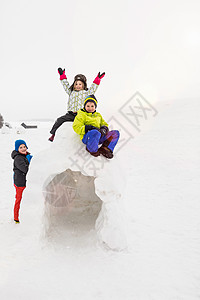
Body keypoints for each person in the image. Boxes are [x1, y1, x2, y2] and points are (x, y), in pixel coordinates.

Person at [48, 68, 105, 142]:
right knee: (59, 120)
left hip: (80, 114)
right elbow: (65, 85)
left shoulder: (86, 93)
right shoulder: (71, 92)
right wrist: (62, 75)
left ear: (83, 85)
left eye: (80, 84)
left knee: (87, 124)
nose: (78, 86)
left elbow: (93, 88)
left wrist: (98, 79)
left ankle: (94, 136)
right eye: (76, 84)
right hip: (70, 114)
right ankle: (53, 134)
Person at [11, 140, 32, 223]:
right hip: (20, 182)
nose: (23, 149)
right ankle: (16, 217)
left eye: (24, 147)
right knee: (19, 199)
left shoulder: (26, 156)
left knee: (24, 199)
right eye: (21, 147)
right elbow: (25, 169)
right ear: (17, 149)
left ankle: (24, 215)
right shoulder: (18, 158)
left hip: (24, 181)